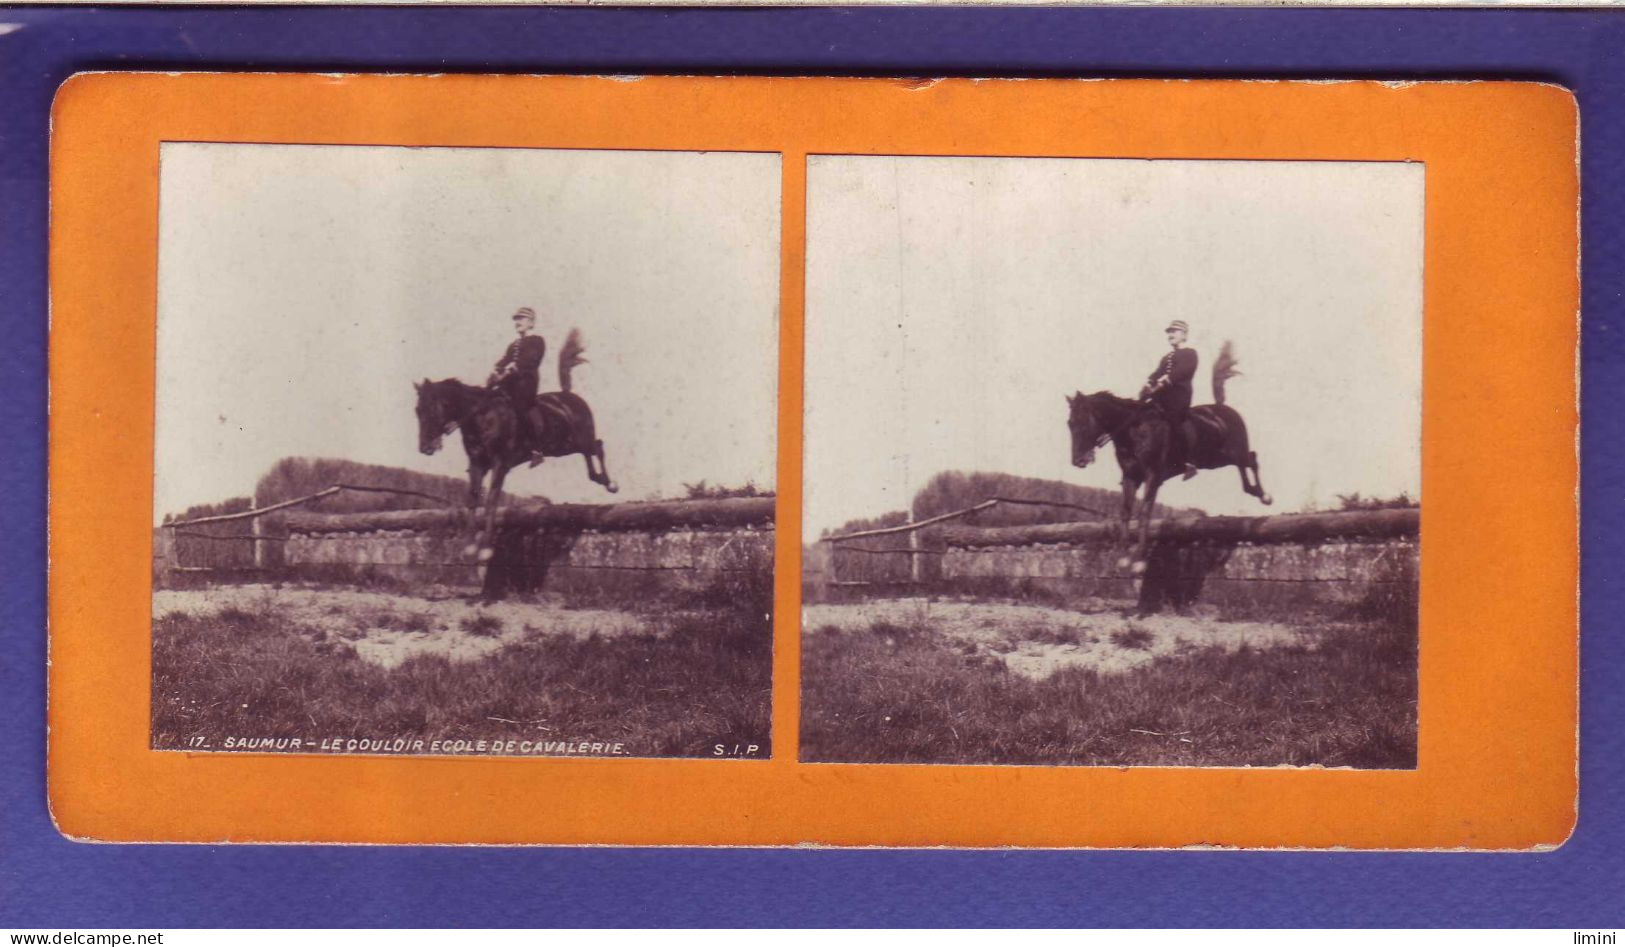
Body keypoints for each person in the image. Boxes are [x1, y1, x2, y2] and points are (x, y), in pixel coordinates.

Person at [1140, 319, 1200, 480]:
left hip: (1179, 396)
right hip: (1162, 396)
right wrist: (1148, 383)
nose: (1170, 334)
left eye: (1175, 331)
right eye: (1169, 332)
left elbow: (1181, 372)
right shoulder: (1166, 357)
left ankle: (1188, 461)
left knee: (1173, 418)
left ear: (1184, 335)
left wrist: (1163, 381)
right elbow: (1157, 373)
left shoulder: (1190, 354)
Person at [487, 306, 547, 464]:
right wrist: (496, 369)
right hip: (509, 384)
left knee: (521, 408)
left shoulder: (537, 341)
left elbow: (531, 360)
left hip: (525, 384)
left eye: (521, 319)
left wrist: (512, 367)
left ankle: (537, 449)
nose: (517, 322)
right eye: (516, 319)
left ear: (531, 323)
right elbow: (504, 360)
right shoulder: (513, 345)